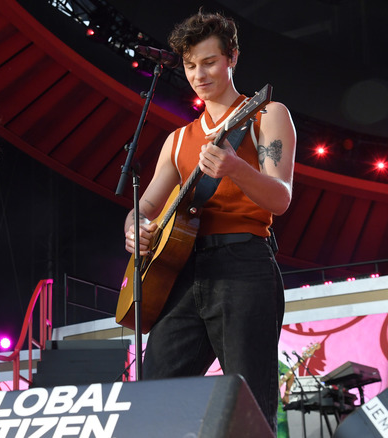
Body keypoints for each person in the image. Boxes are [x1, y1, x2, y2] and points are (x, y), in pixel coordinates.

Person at [123, 10, 296, 432]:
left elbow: (281, 198)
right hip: (179, 272)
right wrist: (133, 228)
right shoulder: (177, 139)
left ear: (232, 57)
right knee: (154, 403)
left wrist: (236, 169)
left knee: (247, 403)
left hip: (244, 265)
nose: (198, 74)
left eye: (209, 61)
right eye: (189, 65)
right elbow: (143, 206)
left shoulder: (266, 114)